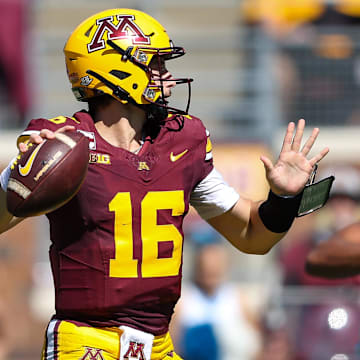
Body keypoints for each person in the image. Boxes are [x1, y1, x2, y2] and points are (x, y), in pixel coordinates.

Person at [0, 8, 329, 360]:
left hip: (158, 344)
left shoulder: (183, 140)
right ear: (117, 69)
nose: (168, 77)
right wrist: (24, 177)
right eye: (155, 65)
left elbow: (252, 235)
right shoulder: (65, 142)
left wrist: (281, 197)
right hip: (86, 342)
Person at [171, 242, 262, 360]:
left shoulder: (238, 298)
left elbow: (257, 341)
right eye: (206, 267)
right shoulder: (183, 300)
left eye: (215, 267)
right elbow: (173, 341)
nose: (211, 270)